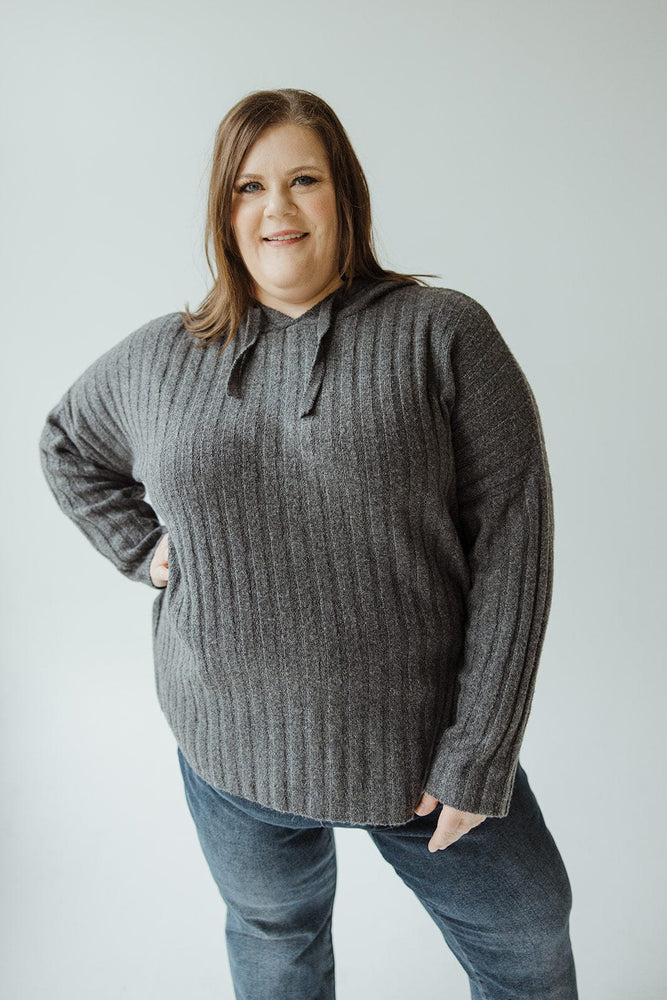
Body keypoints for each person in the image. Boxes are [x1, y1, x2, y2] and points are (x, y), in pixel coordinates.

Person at [38, 87, 578, 999]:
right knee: (275, 939)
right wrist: (142, 549)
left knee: (526, 940)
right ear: (223, 207)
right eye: (249, 187)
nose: (276, 209)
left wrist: (478, 751)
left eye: (302, 180)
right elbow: (66, 444)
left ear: (345, 196)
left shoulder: (441, 335)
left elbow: (513, 543)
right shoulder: (162, 355)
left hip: (420, 755)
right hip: (229, 743)